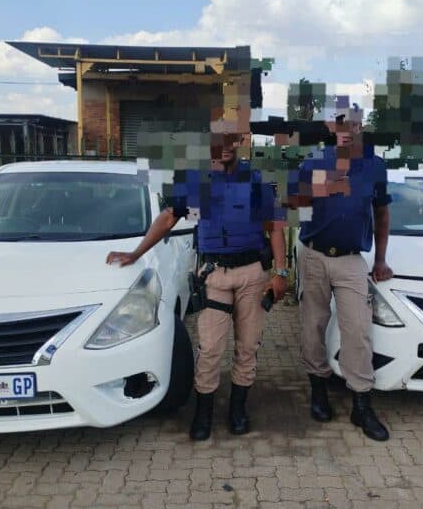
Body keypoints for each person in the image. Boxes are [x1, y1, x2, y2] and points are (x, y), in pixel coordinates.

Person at [106, 133, 288, 441]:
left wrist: (281, 272)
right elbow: (167, 218)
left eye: (228, 144)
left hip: (251, 274)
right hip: (214, 274)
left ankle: (237, 409)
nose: (221, 150)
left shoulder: (255, 181)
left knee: (247, 346)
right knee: (211, 347)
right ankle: (203, 412)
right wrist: (137, 252)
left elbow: (276, 227)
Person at [291, 112, 394, 441]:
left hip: (351, 260)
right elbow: (296, 208)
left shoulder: (375, 166)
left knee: (358, 330)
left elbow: (381, 213)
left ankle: (361, 403)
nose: (346, 131)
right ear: (330, 129)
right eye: (340, 125)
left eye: (352, 125)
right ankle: (318, 390)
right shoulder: (313, 163)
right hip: (315, 256)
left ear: (360, 127)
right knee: (312, 327)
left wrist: (380, 260)